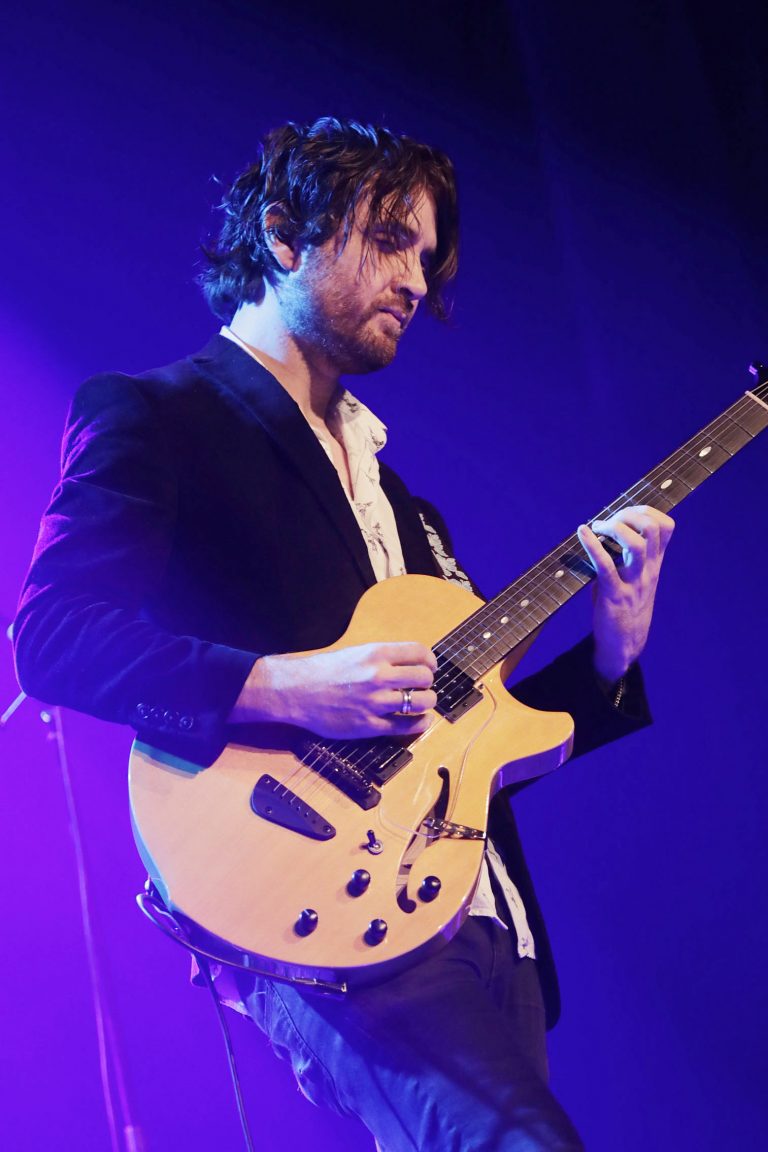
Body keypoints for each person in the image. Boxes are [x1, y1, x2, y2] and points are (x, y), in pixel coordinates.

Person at [14, 117, 674, 1150]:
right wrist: (289, 687)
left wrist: (614, 651)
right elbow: (51, 639)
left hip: (479, 915)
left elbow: (469, 750)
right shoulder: (159, 416)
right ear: (283, 235)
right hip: (321, 906)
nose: (418, 279)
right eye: (391, 240)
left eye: (427, 255)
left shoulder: (406, 509)